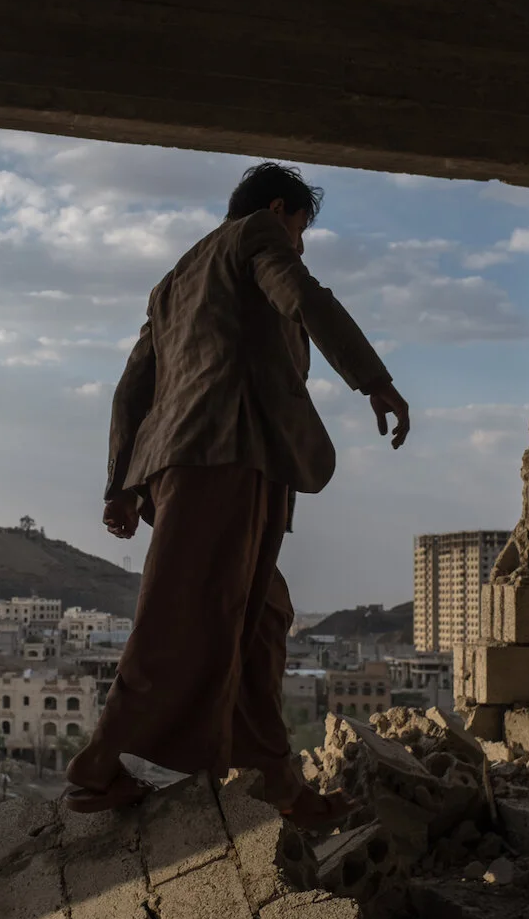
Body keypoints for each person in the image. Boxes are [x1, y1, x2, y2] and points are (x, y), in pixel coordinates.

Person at [64, 162, 410, 827]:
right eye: (301, 233)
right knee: (179, 617)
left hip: (190, 463)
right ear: (280, 211)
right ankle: (96, 771)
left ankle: (280, 785)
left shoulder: (174, 282)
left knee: (263, 620)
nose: (299, 247)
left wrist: (122, 484)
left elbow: (134, 386)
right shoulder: (257, 236)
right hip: (225, 453)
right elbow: (302, 295)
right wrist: (373, 380)